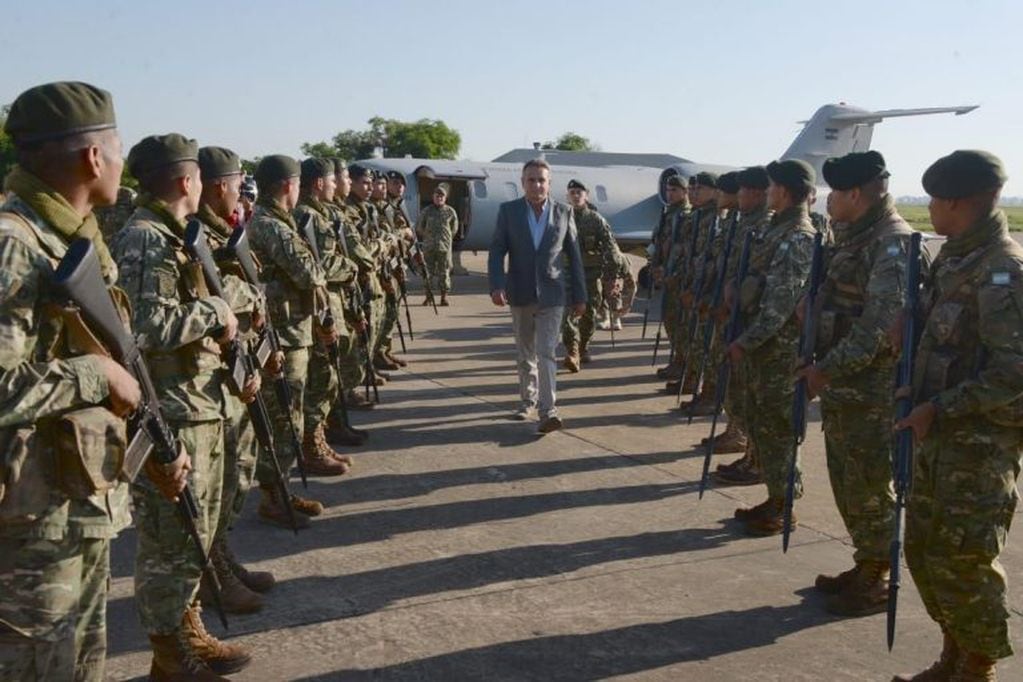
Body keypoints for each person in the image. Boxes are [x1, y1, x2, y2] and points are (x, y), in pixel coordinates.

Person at [0, 80, 140, 682]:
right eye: (117, 148)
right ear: (92, 157)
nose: (120, 163)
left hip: (76, 503)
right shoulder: (14, 243)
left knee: (80, 665)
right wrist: (97, 373)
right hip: (30, 521)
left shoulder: (75, 237)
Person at [111, 133, 252, 678]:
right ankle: (168, 654)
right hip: (171, 407)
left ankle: (187, 627)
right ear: (186, 180)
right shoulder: (146, 238)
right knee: (170, 542)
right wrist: (217, 309)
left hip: (197, 400)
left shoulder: (172, 236)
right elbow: (146, 328)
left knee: (193, 533)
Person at [892, 150, 1023, 682]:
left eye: (933, 200)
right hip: (939, 437)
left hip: (979, 444)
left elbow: (1014, 371)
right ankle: (954, 653)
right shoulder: (956, 258)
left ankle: (977, 665)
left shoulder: (1002, 271)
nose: (930, 209)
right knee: (925, 552)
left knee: (965, 561)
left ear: (954, 203)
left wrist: (938, 405)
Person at [796, 151, 915, 617]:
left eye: (832, 194)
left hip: (871, 390)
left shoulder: (891, 244)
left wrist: (826, 369)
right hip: (847, 387)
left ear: (854, 195)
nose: (826, 202)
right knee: (849, 484)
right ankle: (866, 560)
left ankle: (878, 575)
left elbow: (878, 327)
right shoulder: (854, 237)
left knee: (869, 485)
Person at [194, 144, 279, 613]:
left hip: (226, 375)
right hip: (197, 388)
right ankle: (209, 578)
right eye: (233, 183)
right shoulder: (179, 236)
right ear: (218, 185)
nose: (239, 193)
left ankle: (222, 559)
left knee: (232, 480)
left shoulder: (216, 231)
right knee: (206, 495)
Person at [726, 159, 816, 536]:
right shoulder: (776, 229)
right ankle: (775, 495)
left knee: (779, 428)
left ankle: (786, 504)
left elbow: (779, 304)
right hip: (762, 348)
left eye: (773, 186)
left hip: (777, 352)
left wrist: (746, 342)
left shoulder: (797, 236)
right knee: (761, 424)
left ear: (785, 191)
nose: (767, 192)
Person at [246, 154, 331, 527]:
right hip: (284, 333)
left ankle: (279, 490)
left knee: (288, 416)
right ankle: (274, 496)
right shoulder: (272, 226)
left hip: (290, 330)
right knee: (284, 419)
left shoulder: (271, 222)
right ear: (287, 186)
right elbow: (309, 274)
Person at [488, 158, 586, 434]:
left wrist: (580, 295)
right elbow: (497, 250)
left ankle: (548, 410)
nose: (537, 185)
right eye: (531, 180)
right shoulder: (508, 212)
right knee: (525, 352)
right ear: (523, 183)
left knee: (546, 353)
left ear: (549, 183)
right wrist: (497, 285)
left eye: (542, 180)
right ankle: (526, 400)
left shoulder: (564, 212)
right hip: (518, 291)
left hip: (553, 294)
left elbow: (574, 257)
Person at [294, 157, 362, 461]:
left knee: (329, 374)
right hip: (317, 308)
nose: (337, 184)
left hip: (329, 303)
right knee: (321, 378)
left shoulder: (320, 213)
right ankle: (314, 442)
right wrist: (351, 267)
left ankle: (327, 431)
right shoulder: (307, 215)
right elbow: (320, 265)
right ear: (319, 183)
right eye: (333, 180)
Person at [714, 166, 771, 484]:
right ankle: (749, 452)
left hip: (752, 324)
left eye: (739, 191)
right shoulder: (744, 223)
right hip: (736, 316)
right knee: (738, 393)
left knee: (753, 400)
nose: (732, 197)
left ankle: (756, 459)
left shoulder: (764, 226)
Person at [560, 179, 618, 371]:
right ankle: (573, 350)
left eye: (579, 192)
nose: (575, 195)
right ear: (567, 196)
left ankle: (583, 346)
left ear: (586, 195)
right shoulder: (559, 218)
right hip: (566, 273)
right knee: (566, 314)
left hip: (591, 274)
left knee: (589, 314)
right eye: (572, 192)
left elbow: (610, 247)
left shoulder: (596, 220)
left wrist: (612, 277)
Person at [651, 175, 690, 380]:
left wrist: (673, 272)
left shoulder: (687, 215)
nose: (670, 193)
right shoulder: (668, 213)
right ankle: (677, 360)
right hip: (666, 273)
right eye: (668, 190)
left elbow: (685, 250)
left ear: (685, 192)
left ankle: (683, 362)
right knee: (670, 320)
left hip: (678, 277)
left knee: (679, 323)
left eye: (675, 190)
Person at [416, 183, 459, 306]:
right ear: (433, 197)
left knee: (444, 273)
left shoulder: (450, 212)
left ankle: (444, 297)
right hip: (429, 247)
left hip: (444, 248)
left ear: (445, 198)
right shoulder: (426, 211)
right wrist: (428, 237)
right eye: (437, 196)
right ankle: (428, 297)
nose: (439, 198)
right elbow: (419, 227)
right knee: (427, 273)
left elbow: (454, 229)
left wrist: (445, 238)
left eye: (442, 196)